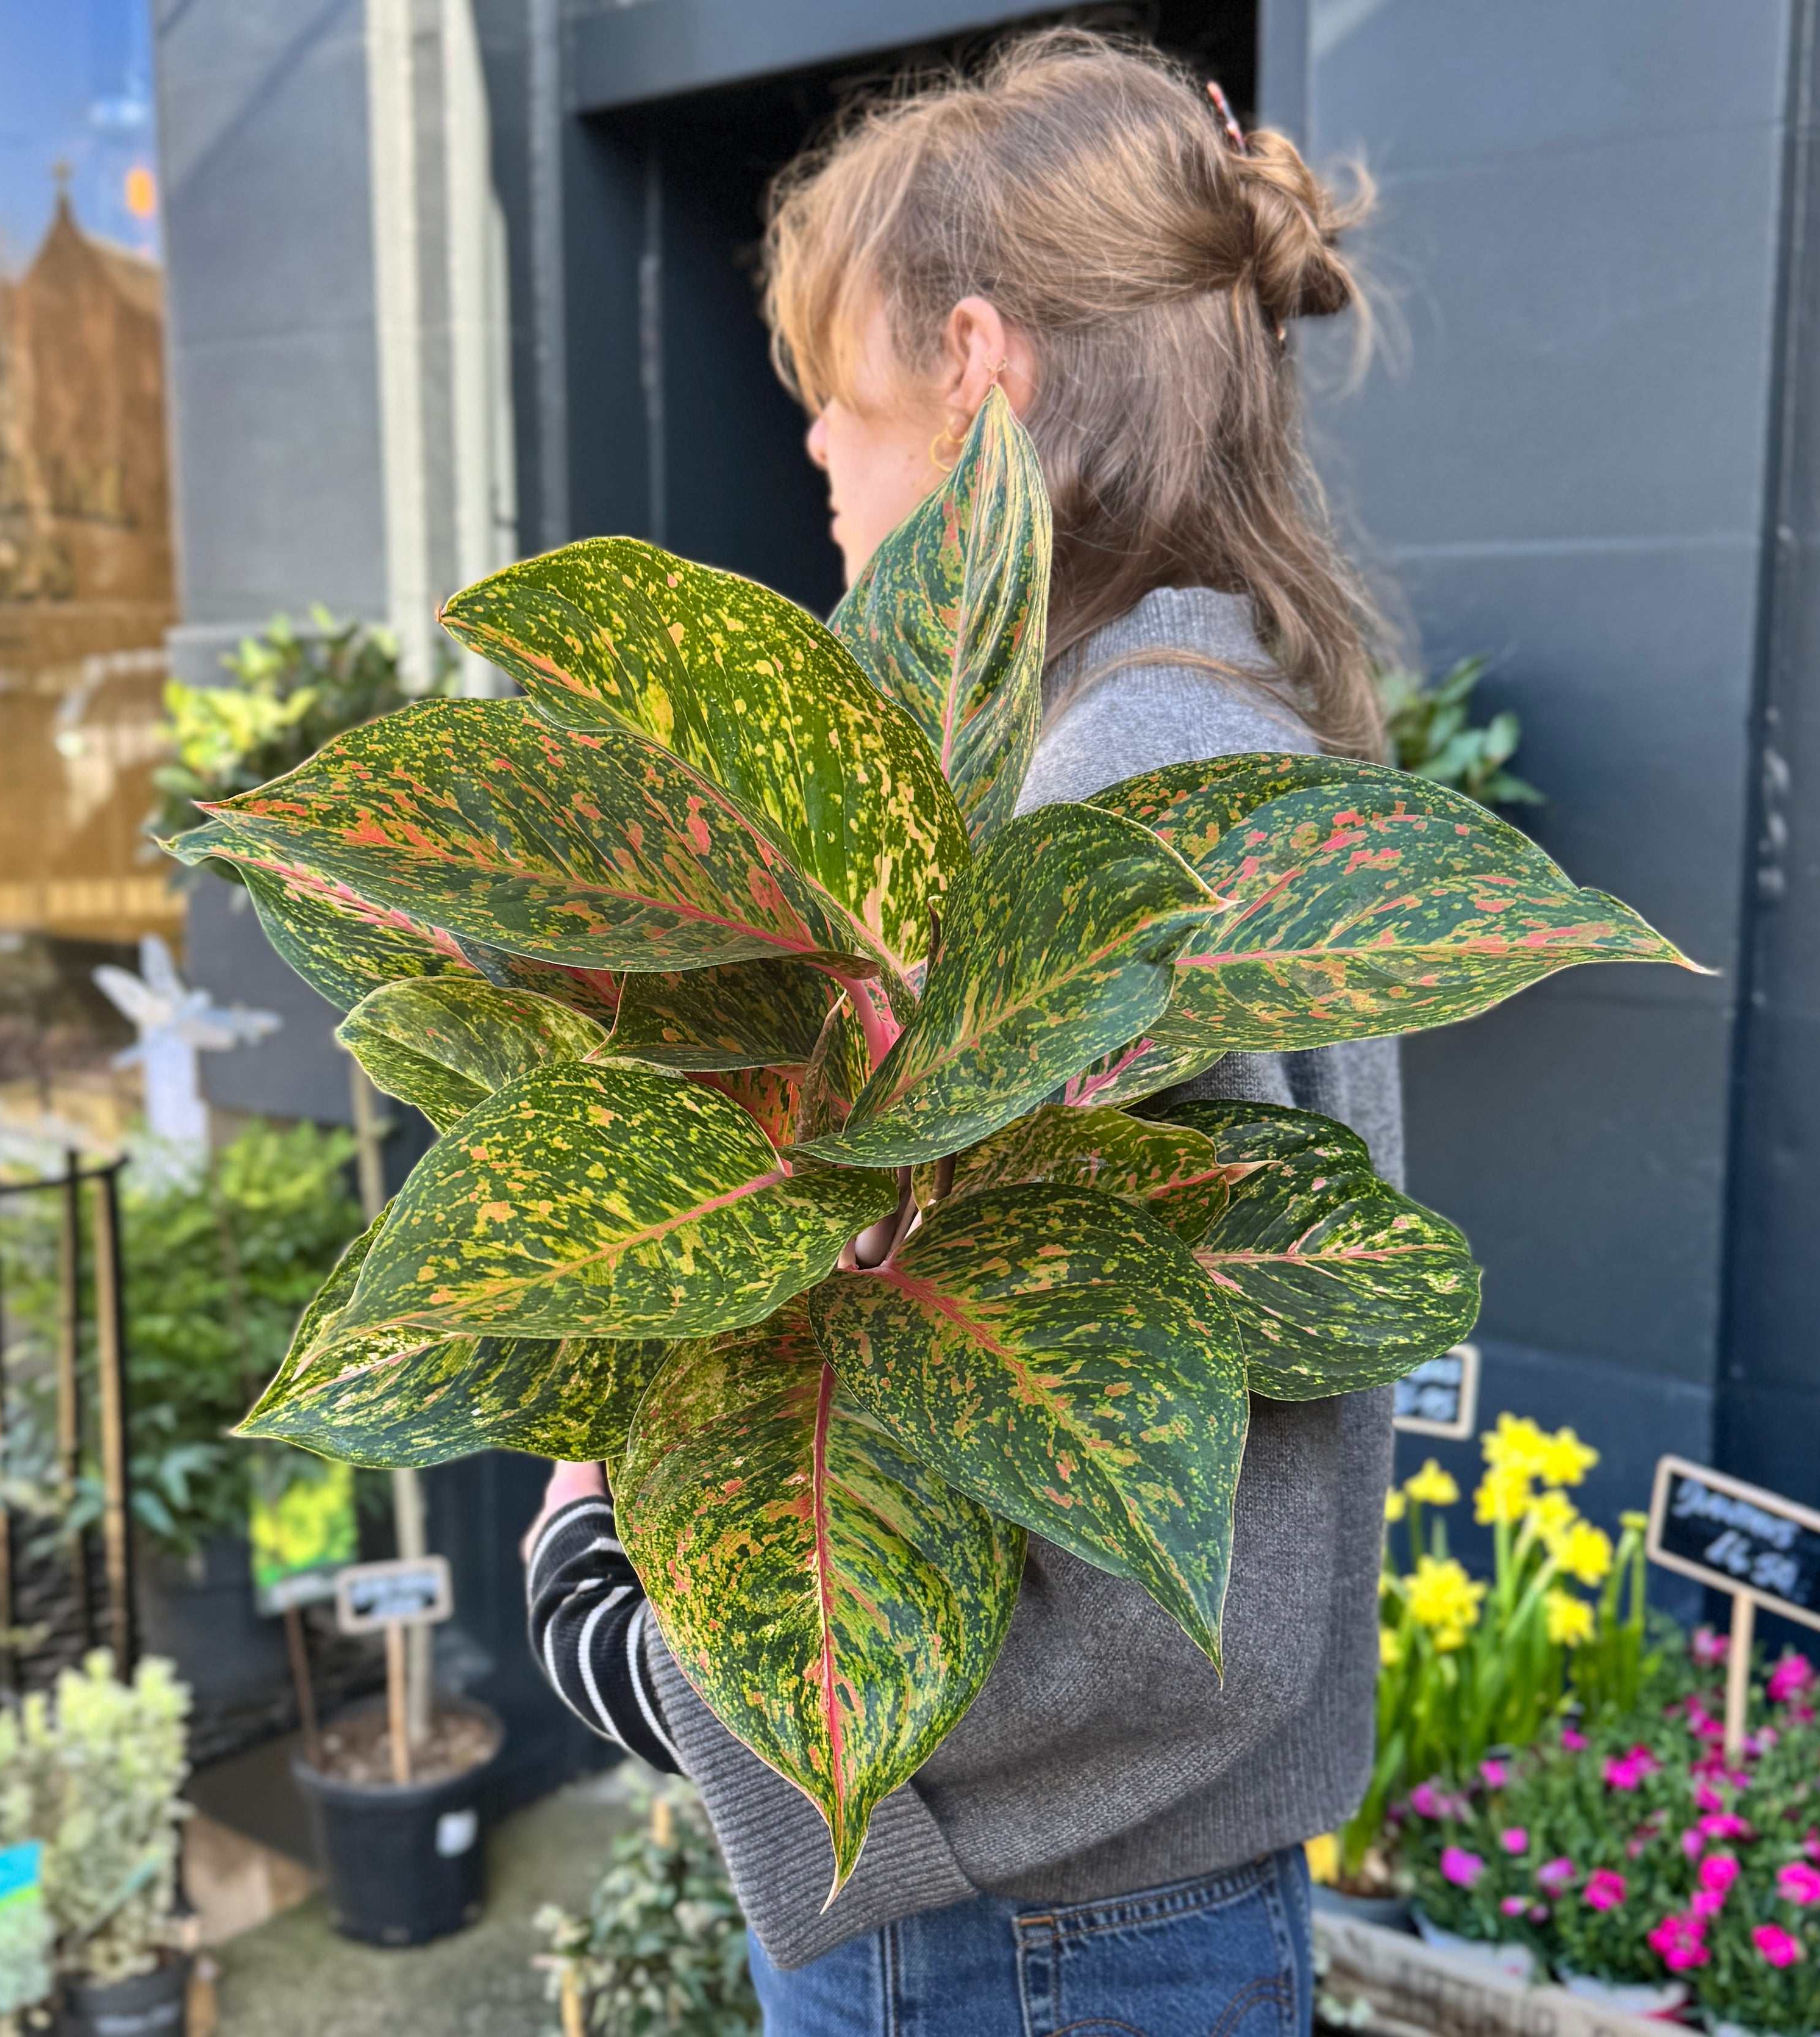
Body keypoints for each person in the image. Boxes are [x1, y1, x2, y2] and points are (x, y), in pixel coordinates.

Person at [522, 30, 1399, 2037]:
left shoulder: (1104, 799)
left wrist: (644, 1652)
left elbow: (1137, 1580)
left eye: (837, 398)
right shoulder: (1186, 727)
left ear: (976, 369)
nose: (818, 458)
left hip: (1019, 1937)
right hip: (1091, 1922)